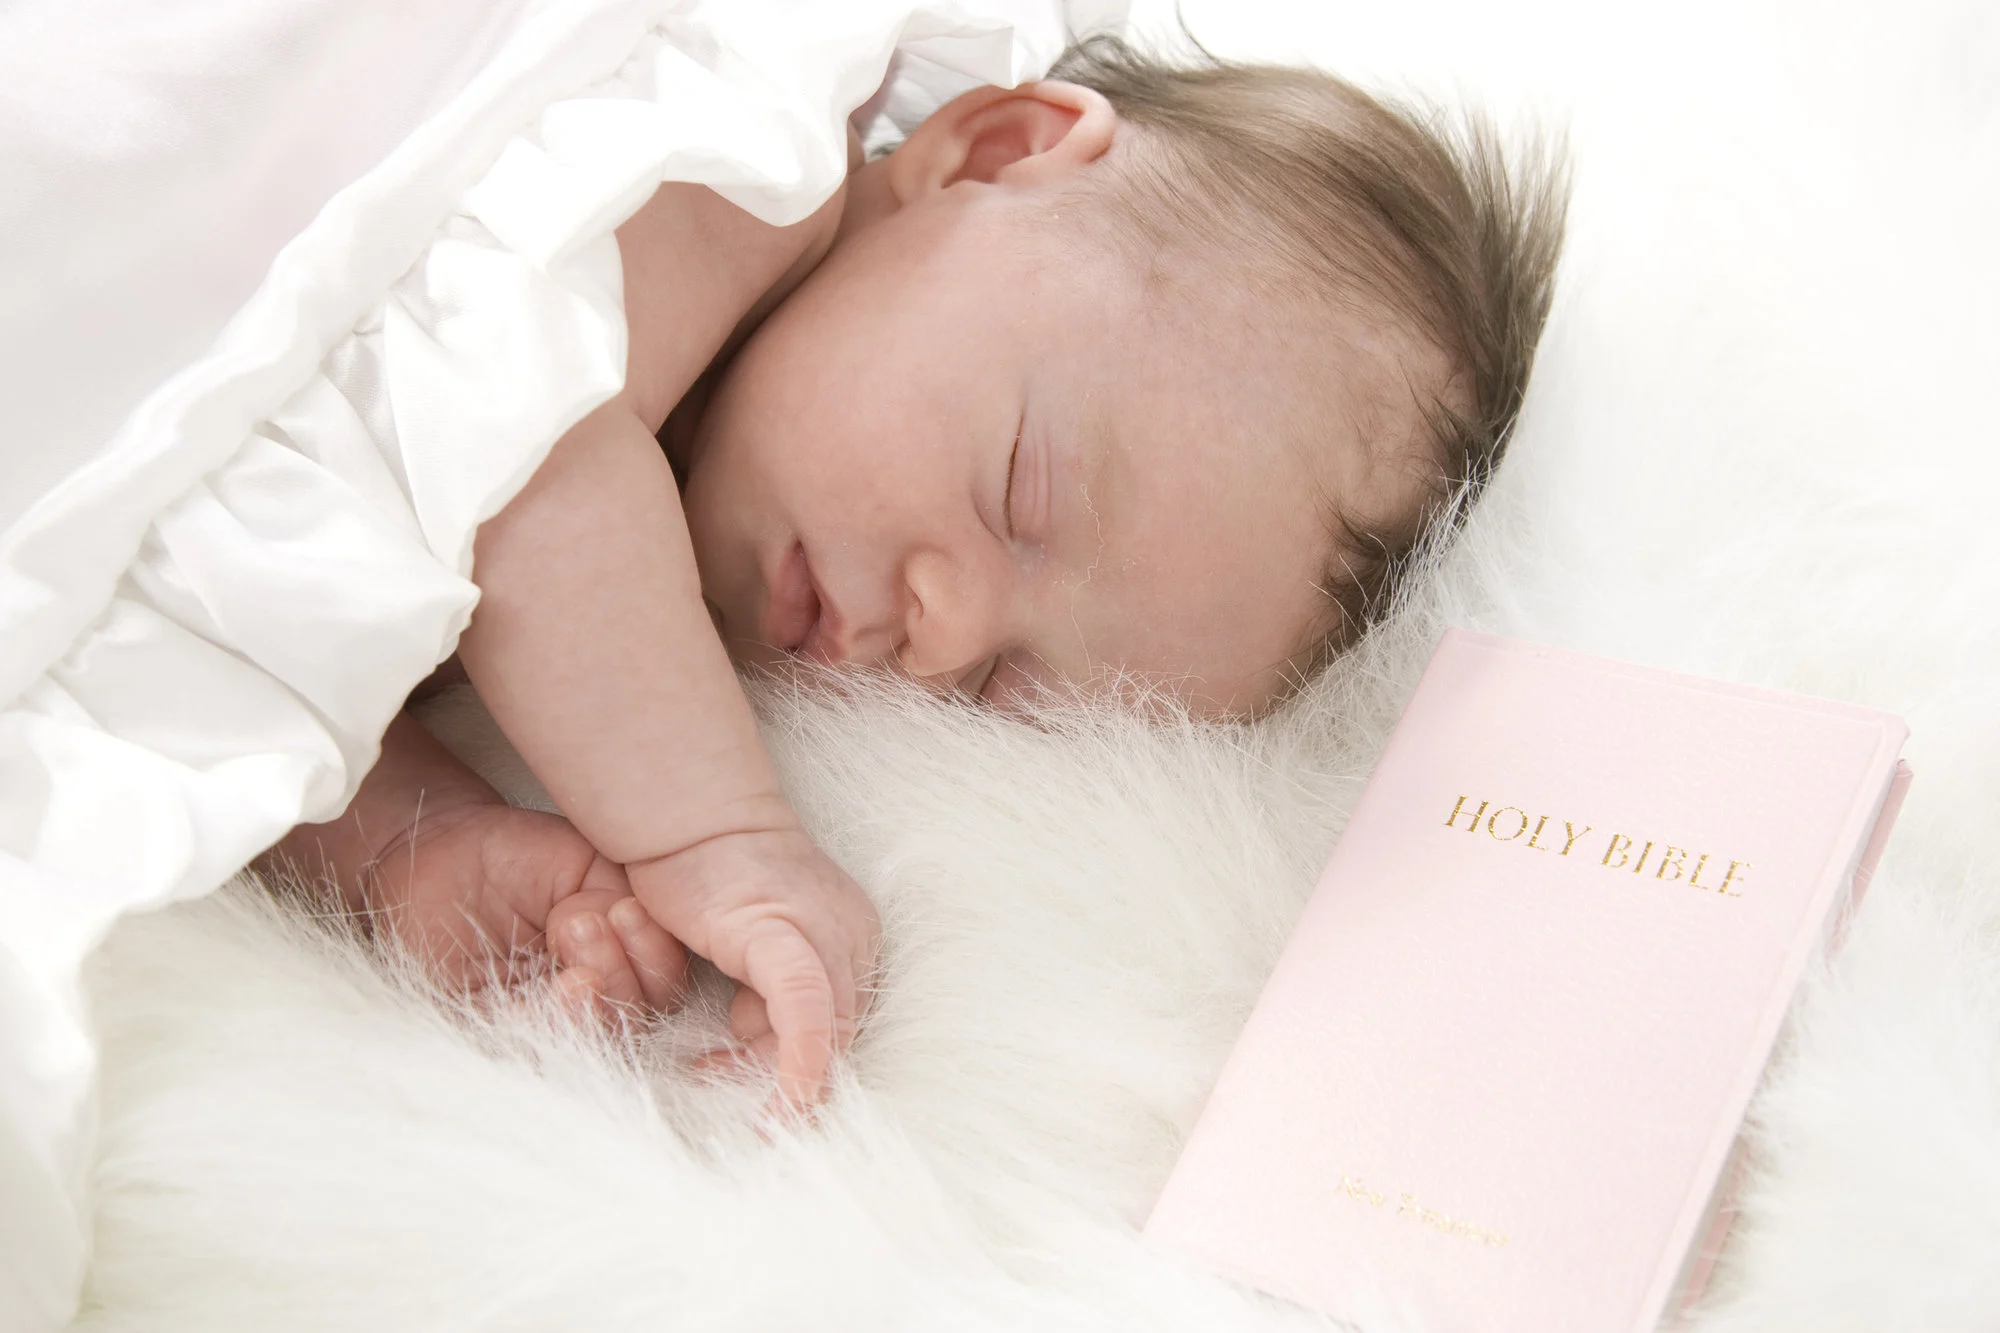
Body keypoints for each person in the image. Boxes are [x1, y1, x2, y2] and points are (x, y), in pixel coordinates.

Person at [269, 37, 1566, 1109]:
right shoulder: (729, 164)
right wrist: (728, 842)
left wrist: (407, 844)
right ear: (992, 153)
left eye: (1008, 685)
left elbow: (252, 608)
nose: (943, 641)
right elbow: (526, 463)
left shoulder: (642, 554)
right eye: (1022, 490)